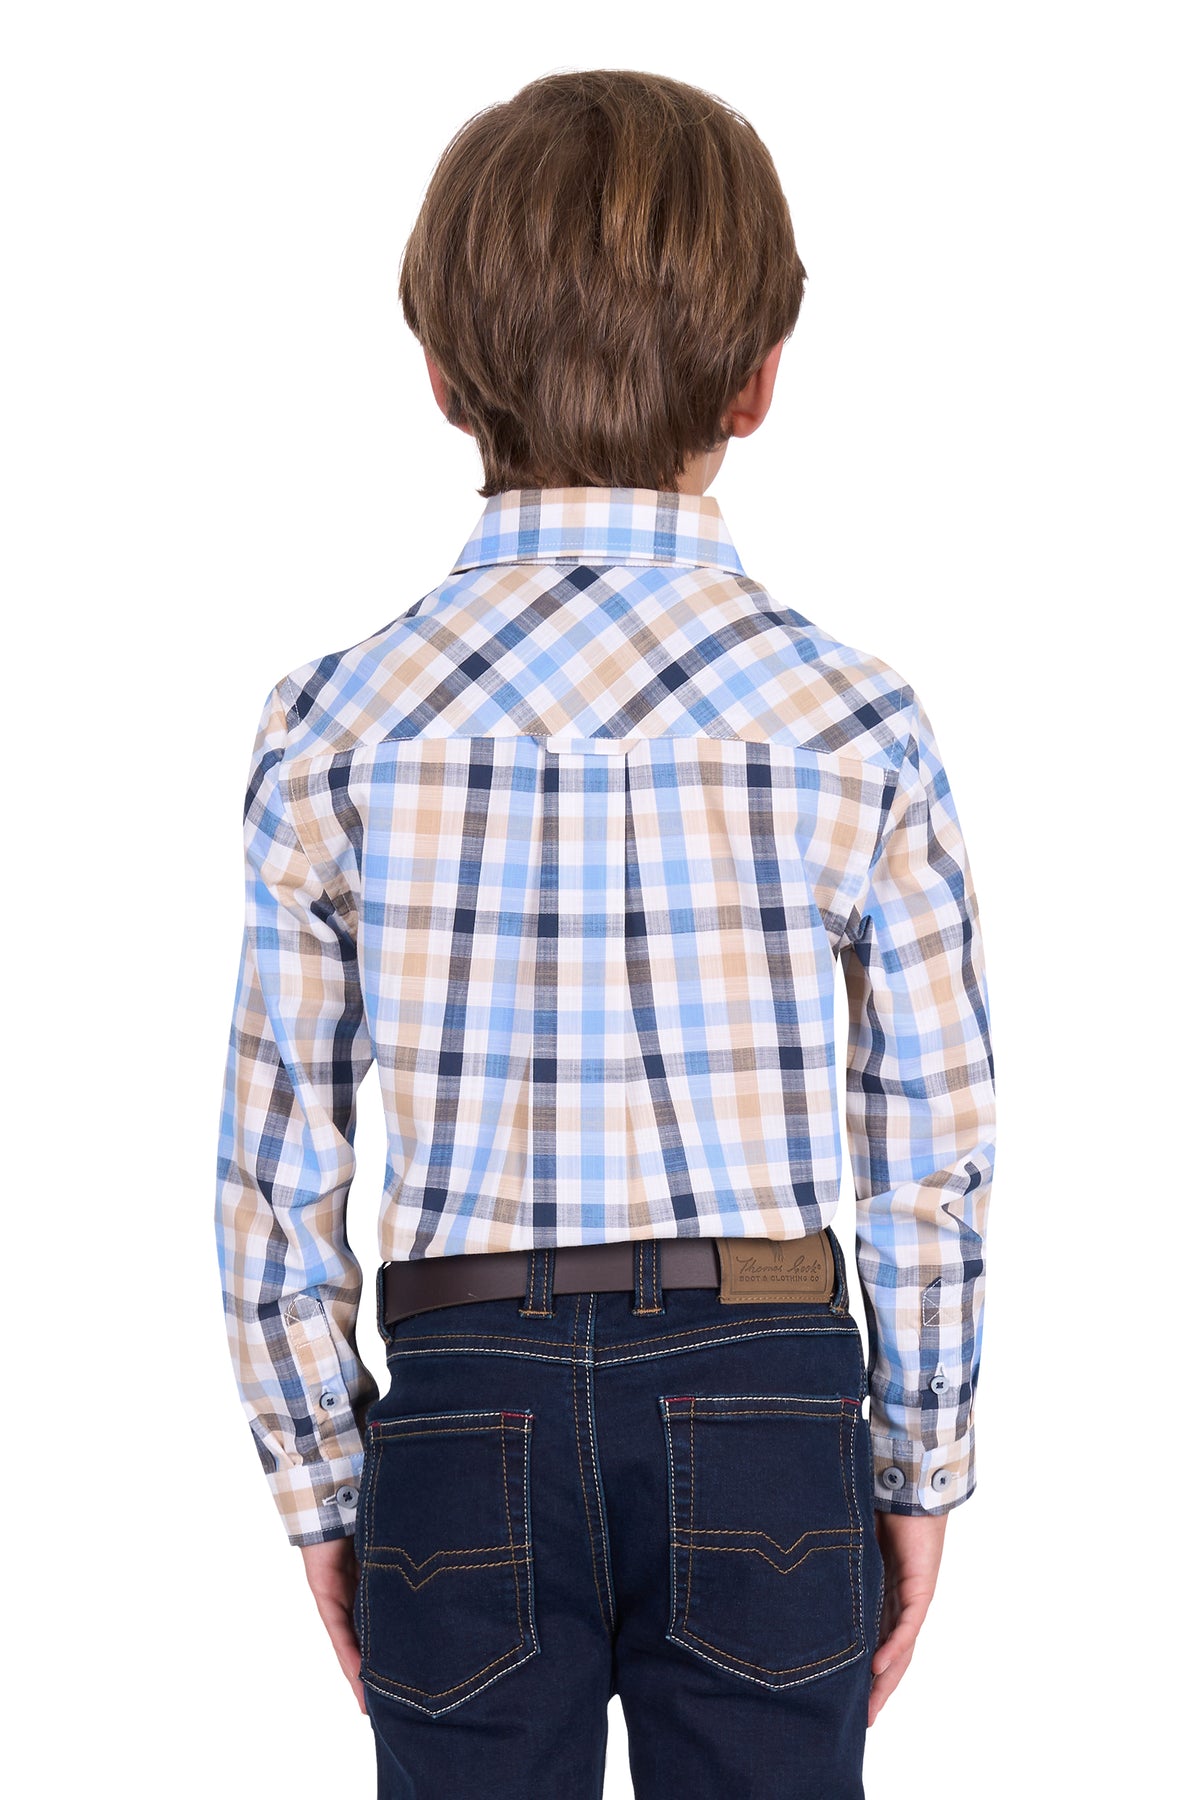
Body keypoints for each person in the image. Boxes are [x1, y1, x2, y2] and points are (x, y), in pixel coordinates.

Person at [214, 67, 996, 1800]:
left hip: (459, 1390)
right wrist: (919, 1460)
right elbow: (930, 1147)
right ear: (762, 380)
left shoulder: (333, 727)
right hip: (774, 1385)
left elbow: (275, 1176)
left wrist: (327, 1486)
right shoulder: (854, 726)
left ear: (437, 372)